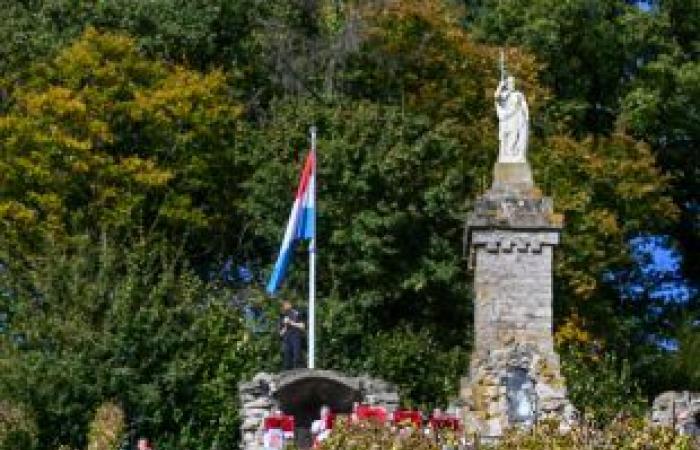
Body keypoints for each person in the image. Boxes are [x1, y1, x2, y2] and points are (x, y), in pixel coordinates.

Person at [494, 75, 529, 164]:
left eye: (513, 82)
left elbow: (524, 106)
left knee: (514, 136)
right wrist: (500, 86)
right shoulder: (503, 94)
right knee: (506, 138)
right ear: (506, 84)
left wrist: (526, 117)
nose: (512, 84)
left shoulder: (518, 95)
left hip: (516, 120)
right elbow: (496, 97)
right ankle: (507, 154)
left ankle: (512, 154)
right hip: (506, 120)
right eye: (510, 82)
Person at [279, 300, 305, 370]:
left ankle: (299, 373)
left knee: (297, 358)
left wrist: (291, 323)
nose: (285, 307)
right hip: (287, 340)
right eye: (284, 306)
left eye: (287, 305)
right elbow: (281, 334)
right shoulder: (282, 317)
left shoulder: (296, 314)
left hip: (296, 338)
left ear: (290, 305)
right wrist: (285, 326)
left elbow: (302, 326)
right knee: (287, 361)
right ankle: (288, 375)